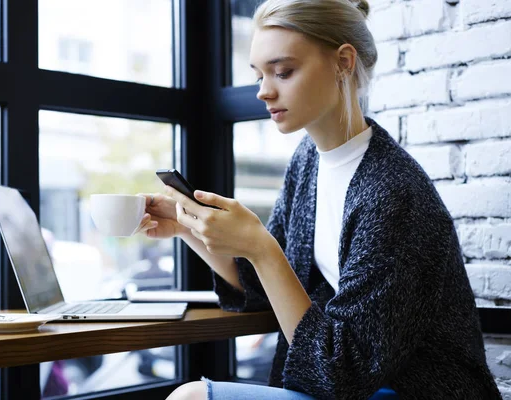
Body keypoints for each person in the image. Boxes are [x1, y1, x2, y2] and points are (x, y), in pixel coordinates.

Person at [136, 0, 501, 398]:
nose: (263, 90)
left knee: (190, 396)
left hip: (415, 391)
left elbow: (342, 372)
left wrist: (263, 248)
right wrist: (187, 226)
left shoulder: (393, 194)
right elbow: (263, 288)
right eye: (259, 74)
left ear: (344, 62)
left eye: (283, 71)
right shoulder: (308, 161)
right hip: (351, 384)